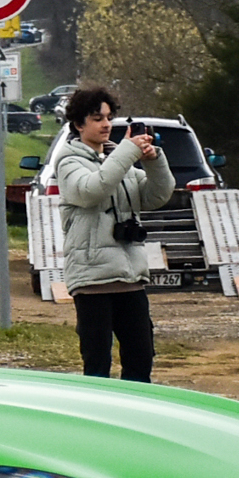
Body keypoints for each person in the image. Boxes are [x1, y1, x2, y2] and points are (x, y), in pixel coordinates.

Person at [53, 86, 174, 382]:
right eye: (97, 118)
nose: (106, 124)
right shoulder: (69, 162)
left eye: (109, 117)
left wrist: (153, 159)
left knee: (141, 360)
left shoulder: (119, 162)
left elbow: (157, 195)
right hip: (93, 281)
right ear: (79, 125)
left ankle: (135, 420)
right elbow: (91, 190)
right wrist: (127, 151)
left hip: (130, 279)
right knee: (97, 366)